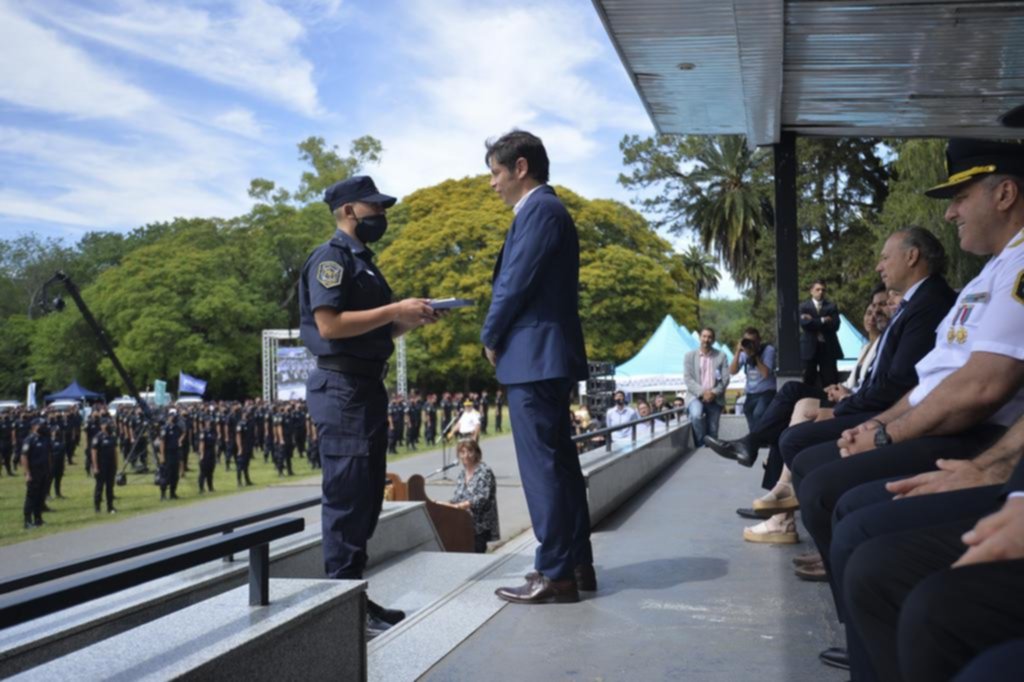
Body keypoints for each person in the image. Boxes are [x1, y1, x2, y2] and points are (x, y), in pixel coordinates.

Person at [794, 138, 1024, 677]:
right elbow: (929, 381)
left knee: (847, 511)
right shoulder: (991, 272)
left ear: (1006, 193)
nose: (949, 212)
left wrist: (884, 435)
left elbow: (980, 388)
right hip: (969, 436)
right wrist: (879, 423)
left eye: (960, 196)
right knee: (822, 477)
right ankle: (866, 645)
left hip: (975, 432)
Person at [299, 174, 440, 638]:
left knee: (364, 501)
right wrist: (394, 309)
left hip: (363, 388)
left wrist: (407, 321)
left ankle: (355, 596)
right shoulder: (331, 260)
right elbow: (331, 326)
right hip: (342, 389)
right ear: (347, 212)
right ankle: (342, 607)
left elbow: (374, 330)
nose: (381, 217)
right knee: (347, 499)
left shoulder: (365, 264)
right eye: (373, 209)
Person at [481, 130, 594, 605]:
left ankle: (554, 572)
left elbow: (514, 282)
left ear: (521, 168)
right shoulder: (545, 210)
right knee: (560, 466)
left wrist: (490, 335)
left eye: (496, 173)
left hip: (533, 356)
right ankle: (575, 563)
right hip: (545, 356)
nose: (492, 184)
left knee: (543, 469)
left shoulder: (540, 210)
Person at [442, 439, 499, 553]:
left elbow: (482, 497)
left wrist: (460, 506)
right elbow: (457, 497)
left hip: (479, 526)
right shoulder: (462, 474)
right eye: (462, 452)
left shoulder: (484, 471)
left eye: (469, 451)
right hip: (463, 523)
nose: (466, 455)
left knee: (476, 556)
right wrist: (443, 504)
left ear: (476, 453)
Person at [683, 327, 729, 447]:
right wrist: (703, 393)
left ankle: (711, 454)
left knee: (713, 430)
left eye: (709, 337)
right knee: (696, 415)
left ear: (713, 340)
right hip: (695, 396)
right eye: (704, 336)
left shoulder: (721, 356)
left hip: (715, 397)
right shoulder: (689, 356)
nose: (706, 339)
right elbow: (688, 379)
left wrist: (713, 393)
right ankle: (701, 445)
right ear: (699, 338)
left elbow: (725, 379)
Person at [730, 327, 777, 431]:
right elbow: (732, 371)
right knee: (748, 412)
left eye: (753, 341)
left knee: (759, 413)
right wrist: (738, 351)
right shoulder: (744, 352)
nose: (750, 344)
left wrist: (754, 355)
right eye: (747, 341)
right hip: (751, 393)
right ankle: (755, 441)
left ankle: (761, 440)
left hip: (766, 392)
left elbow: (765, 373)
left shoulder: (768, 350)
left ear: (759, 340)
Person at [799, 279, 842, 387]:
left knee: (830, 382)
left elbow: (835, 326)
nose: (821, 292)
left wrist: (812, 320)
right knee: (807, 382)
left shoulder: (831, 307)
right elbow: (805, 324)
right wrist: (823, 320)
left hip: (827, 349)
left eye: (823, 290)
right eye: (817, 289)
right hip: (809, 350)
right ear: (811, 291)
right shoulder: (804, 307)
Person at [21, 417, 50, 529]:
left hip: (43, 471)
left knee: (40, 496)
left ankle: (38, 519)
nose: (43, 427)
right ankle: (27, 521)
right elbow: (24, 457)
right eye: (40, 425)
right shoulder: (29, 440)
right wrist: (27, 473)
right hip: (33, 472)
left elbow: (47, 455)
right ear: (34, 426)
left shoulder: (44, 439)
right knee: (31, 497)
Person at [91, 418, 118, 514]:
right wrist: (95, 467)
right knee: (99, 486)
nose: (108, 426)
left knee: (110, 487)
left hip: (111, 465)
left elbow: (115, 452)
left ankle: (110, 506)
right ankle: (97, 507)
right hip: (101, 466)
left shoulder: (112, 437)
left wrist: (116, 465)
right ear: (101, 426)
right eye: (106, 424)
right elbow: (94, 452)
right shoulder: (97, 437)